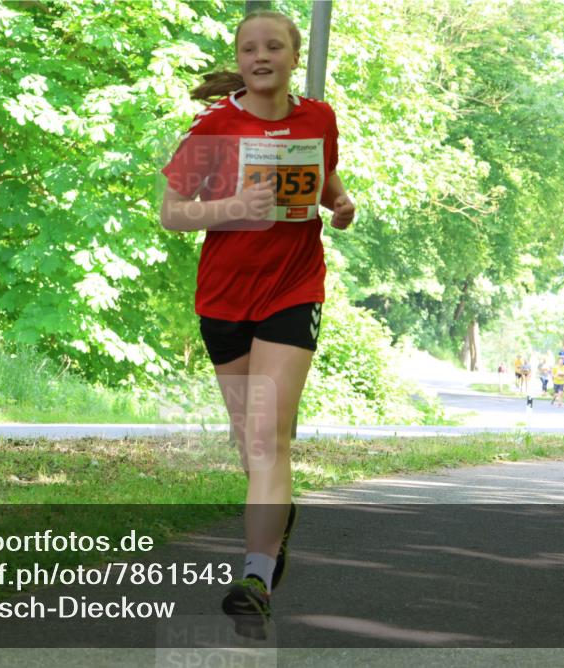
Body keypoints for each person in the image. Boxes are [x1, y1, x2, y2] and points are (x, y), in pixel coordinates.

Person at [160, 9, 354, 638]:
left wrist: (340, 201)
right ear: (239, 60)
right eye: (249, 48)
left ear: (295, 56)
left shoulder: (317, 117)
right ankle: (275, 529)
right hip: (223, 298)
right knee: (254, 447)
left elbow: (322, 179)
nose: (261, 55)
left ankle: (254, 577)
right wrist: (233, 207)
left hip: (293, 289)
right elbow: (172, 213)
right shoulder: (214, 127)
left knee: (268, 436)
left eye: (274, 46)